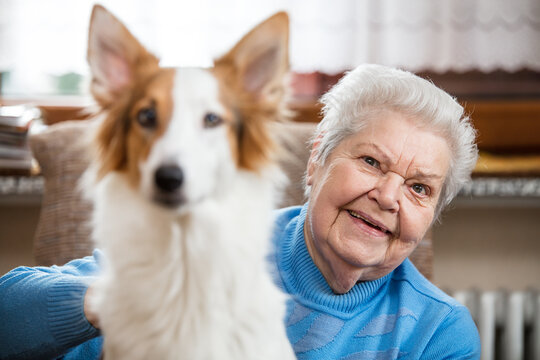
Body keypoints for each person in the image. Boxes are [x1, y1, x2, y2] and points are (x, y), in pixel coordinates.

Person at [0, 64, 481, 359]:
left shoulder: (439, 333)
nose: (389, 196)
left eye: (419, 188)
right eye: (372, 162)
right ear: (317, 161)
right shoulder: (206, 243)